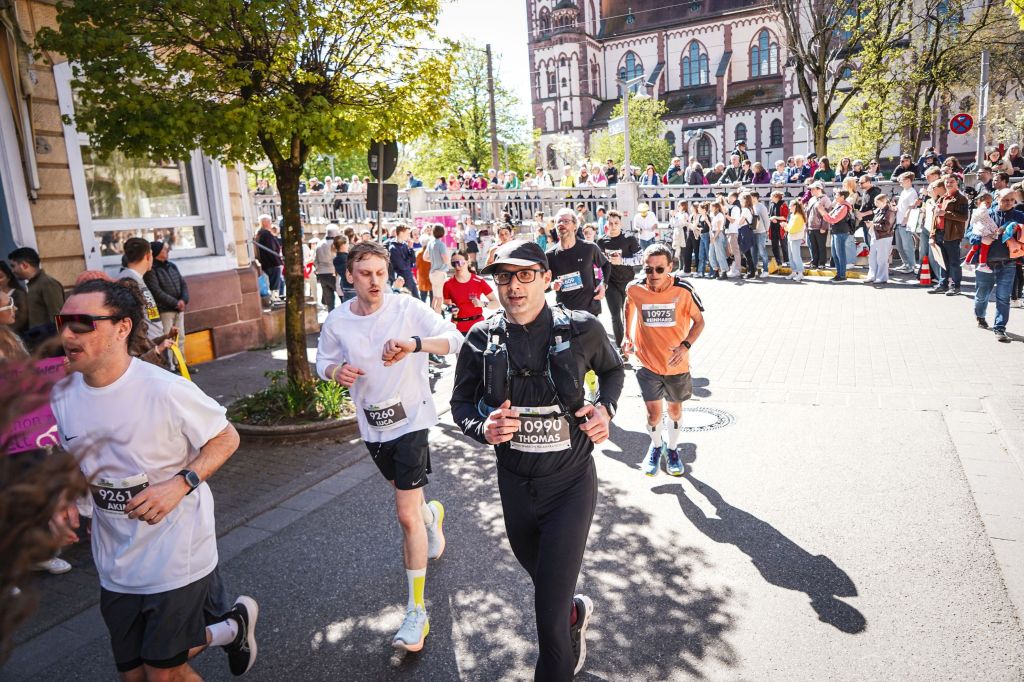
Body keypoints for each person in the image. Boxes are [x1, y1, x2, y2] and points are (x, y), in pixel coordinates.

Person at [48, 278, 259, 680]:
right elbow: (72, 458)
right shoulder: (62, 395)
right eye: (63, 322)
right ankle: (232, 629)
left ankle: (229, 629)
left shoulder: (165, 390)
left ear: (122, 327)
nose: (67, 335)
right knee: (134, 675)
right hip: (115, 561)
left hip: (176, 555)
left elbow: (226, 437)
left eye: (82, 323)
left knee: (162, 673)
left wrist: (180, 483)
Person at [450, 239, 624, 680]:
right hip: (514, 486)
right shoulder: (480, 338)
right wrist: (482, 428)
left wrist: (605, 409)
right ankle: (572, 614)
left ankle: (560, 646)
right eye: (504, 277)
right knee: (548, 587)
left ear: (546, 278)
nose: (514, 286)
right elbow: (461, 404)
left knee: (546, 617)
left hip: (570, 485)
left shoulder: (582, 328)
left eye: (525, 275)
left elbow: (612, 370)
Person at [316, 240, 464, 652]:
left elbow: (453, 339)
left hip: (412, 419)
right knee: (408, 499)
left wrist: (414, 344)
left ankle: (416, 611)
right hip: (373, 425)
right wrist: (335, 371)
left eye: (380, 273)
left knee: (403, 514)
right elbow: (322, 361)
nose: (375, 281)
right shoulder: (338, 321)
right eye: (365, 273)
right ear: (349, 276)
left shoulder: (406, 308)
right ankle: (432, 516)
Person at [622, 243, 705, 476]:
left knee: (675, 411)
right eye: (648, 269)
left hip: (675, 365)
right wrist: (627, 335)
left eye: (660, 269)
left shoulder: (683, 290)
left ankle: (673, 448)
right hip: (646, 362)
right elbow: (629, 304)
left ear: (670, 267)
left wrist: (685, 346)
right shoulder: (635, 288)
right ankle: (657, 446)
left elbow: (700, 322)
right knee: (653, 415)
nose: (654, 274)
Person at [975, 189, 1023, 342]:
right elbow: (970, 234)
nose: (1008, 203)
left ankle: (1000, 328)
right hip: (986, 263)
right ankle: (980, 316)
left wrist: (1018, 231)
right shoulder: (985, 214)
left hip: (1008, 263)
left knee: (1003, 297)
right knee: (982, 296)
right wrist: (982, 238)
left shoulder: (1020, 216)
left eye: (1011, 200)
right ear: (997, 199)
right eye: (1005, 200)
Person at [547, 208, 608, 318]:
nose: (561, 224)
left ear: (575, 226)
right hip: (565, 314)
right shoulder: (549, 255)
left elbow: (606, 264)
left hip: (590, 311)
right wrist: (551, 285)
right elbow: (541, 284)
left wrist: (603, 285)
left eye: (566, 221)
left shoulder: (590, 248)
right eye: (559, 221)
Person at [596, 210, 642, 350]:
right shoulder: (601, 241)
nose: (613, 226)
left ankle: (631, 341)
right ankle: (621, 347)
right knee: (616, 316)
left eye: (616, 223)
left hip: (628, 282)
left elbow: (641, 259)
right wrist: (600, 281)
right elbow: (598, 264)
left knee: (628, 315)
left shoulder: (629, 238)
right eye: (610, 223)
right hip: (611, 283)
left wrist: (622, 261)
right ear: (607, 224)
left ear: (620, 223)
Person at [144, 241, 189, 368]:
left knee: (180, 338)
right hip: (165, 311)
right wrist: (176, 303)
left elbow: (183, 284)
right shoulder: (151, 270)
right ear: (157, 252)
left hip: (179, 309)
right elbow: (156, 292)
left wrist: (183, 300)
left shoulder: (172, 266)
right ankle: (171, 368)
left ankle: (181, 365)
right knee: (167, 340)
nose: (167, 251)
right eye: (164, 249)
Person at [7, 247, 65, 348]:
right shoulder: (34, 284)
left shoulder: (47, 283)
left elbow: (58, 317)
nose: (12, 271)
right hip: (39, 342)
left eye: (13, 266)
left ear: (24, 265)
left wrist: (57, 345)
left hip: (50, 344)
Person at [928, 176, 969, 296]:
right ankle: (943, 285)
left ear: (957, 183)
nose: (949, 184)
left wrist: (945, 213)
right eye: (947, 182)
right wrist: (932, 234)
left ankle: (956, 287)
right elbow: (935, 218)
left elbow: (964, 217)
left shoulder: (961, 199)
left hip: (952, 235)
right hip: (940, 233)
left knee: (954, 262)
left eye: (952, 182)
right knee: (942, 261)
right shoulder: (942, 198)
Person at [118, 238, 166, 342]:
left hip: (153, 341)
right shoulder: (128, 281)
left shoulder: (135, 278)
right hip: (146, 345)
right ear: (148, 256)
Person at [442, 252, 497, 335]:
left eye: (460, 262)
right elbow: (444, 304)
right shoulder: (448, 283)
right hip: (458, 327)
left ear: (468, 261)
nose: (457, 266)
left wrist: (482, 304)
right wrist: (449, 308)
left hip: (477, 327)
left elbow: (496, 303)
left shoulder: (479, 281)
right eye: (453, 263)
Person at [816, 190, 856, 281]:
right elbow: (829, 217)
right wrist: (823, 212)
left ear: (842, 197)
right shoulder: (839, 205)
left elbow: (833, 220)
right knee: (835, 254)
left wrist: (823, 212)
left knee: (840, 254)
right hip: (836, 232)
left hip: (841, 232)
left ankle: (842, 275)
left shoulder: (844, 207)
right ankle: (839, 274)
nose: (835, 197)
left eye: (837, 195)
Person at [963, 193, 999, 274]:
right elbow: (989, 221)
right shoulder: (983, 210)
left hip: (977, 233)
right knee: (984, 250)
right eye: (987, 202)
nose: (989, 204)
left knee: (974, 249)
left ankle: (966, 262)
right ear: (980, 201)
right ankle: (982, 264)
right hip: (984, 233)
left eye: (991, 202)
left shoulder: (976, 211)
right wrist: (995, 229)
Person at [864, 194, 895, 285]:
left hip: (884, 237)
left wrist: (873, 225)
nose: (875, 204)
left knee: (881, 258)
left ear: (884, 201)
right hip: (876, 236)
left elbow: (886, 227)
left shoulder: (889, 212)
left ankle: (882, 277)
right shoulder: (879, 210)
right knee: (872, 258)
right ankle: (872, 276)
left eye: (877, 202)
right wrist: (872, 224)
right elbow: (880, 224)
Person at [893, 172, 919, 273]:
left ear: (908, 181)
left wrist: (905, 220)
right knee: (899, 246)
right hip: (899, 222)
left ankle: (911, 266)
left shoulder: (912, 192)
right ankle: (906, 264)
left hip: (905, 223)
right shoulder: (904, 191)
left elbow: (912, 207)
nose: (900, 183)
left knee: (907, 246)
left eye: (901, 181)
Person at [389, 225, 420, 301]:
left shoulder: (405, 245)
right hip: (402, 280)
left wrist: (411, 248)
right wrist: (409, 260)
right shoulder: (393, 248)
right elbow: (402, 266)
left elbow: (413, 261)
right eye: (408, 233)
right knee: (406, 301)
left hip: (410, 277)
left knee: (417, 300)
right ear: (401, 233)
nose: (409, 235)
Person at [254, 215, 283, 296]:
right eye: (270, 222)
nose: (271, 224)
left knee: (278, 282)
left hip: (266, 262)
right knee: (275, 284)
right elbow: (271, 249)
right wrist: (277, 262)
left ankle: (275, 297)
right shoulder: (266, 234)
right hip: (271, 263)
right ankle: (275, 298)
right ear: (265, 223)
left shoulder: (259, 233)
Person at [805, 182, 831, 270]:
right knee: (813, 246)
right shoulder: (811, 199)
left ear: (819, 189)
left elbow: (827, 214)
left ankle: (822, 263)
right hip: (811, 227)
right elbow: (808, 213)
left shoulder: (825, 199)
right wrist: (807, 225)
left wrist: (824, 227)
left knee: (821, 246)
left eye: (813, 189)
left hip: (820, 227)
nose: (811, 191)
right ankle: (814, 262)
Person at [425, 225, 450, 314]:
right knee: (440, 298)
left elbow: (425, 257)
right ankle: (437, 317)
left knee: (435, 296)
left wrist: (434, 260)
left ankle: (432, 315)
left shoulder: (430, 243)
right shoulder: (441, 244)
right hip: (440, 273)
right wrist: (448, 261)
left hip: (432, 273)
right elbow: (446, 260)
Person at [0, 260, 28, 335]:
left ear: (8, 277)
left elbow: (22, 318)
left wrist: (7, 332)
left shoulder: (19, 294)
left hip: (17, 335)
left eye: (0, 277)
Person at [854, 175, 881, 248]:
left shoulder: (875, 192)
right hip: (865, 221)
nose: (859, 184)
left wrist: (862, 214)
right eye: (859, 183)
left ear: (868, 182)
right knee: (866, 243)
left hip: (871, 222)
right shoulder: (865, 191)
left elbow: (877, 208)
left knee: (871, 244)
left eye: (861, 183)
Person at [767, 191, 790, 267]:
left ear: (776, 197)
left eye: (771, 196)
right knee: (774, 246)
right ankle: (778, 261)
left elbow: (785, 217)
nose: (770, 198)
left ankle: (787, 261)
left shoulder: (783, 205)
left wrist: (775, 217)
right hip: (773, 228)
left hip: (781, 228)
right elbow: (769, 215)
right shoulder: (772, 204)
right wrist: (771, 219)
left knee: (784, 245)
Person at [786, 200, 807, 281]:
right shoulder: (793, 215)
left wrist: (785, 226)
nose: (789, 207)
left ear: (794, 206)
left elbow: (792, 229)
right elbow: (791, 228)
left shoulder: (798, 216)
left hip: (795, 238)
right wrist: (786, 227)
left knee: (796, 256)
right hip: (791, 238)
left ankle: (800, 273)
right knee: (791, 257)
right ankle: (794, 272)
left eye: (790, 206)